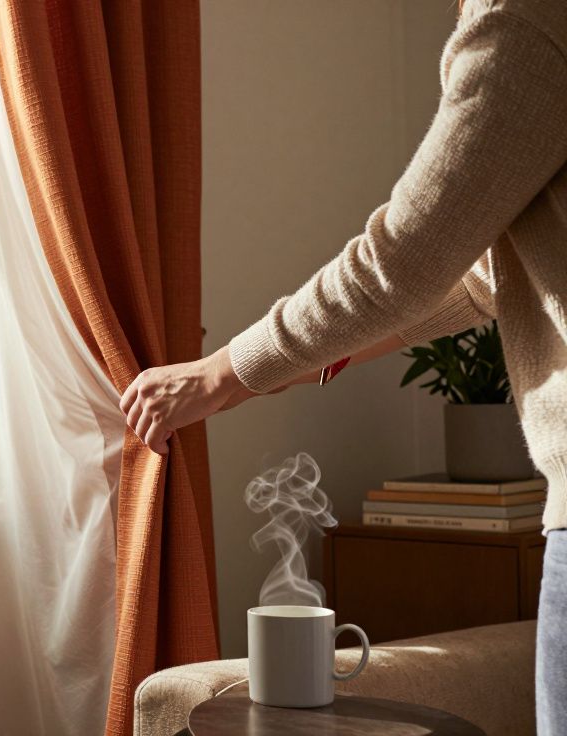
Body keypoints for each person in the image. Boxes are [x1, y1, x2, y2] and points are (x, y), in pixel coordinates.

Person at [119, 0, 567, 730]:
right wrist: (317, 352)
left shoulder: (524, 12)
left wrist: (220, 374)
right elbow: (488, 269)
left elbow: (412, 250)